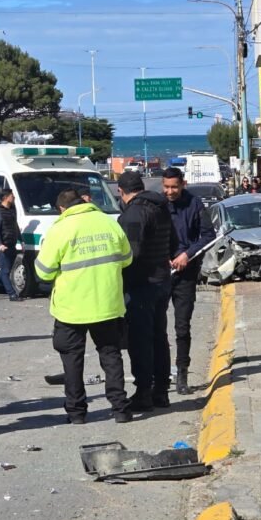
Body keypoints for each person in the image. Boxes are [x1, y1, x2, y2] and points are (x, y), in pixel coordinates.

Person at [35, 189, 133, 424]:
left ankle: (77, 412)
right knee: (111, 356)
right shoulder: (108, 223)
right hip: (107, 304)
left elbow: (43, 271)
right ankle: (120, 409)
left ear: (62, 209)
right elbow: (127, 258)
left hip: (72, 308)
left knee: (72, 360)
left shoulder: (60, 229)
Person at [116, 171, 174, 411]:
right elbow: (173, 242)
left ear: (121, 191)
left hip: (142, 284)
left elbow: (131, 254)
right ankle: (160, 391)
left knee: (140, 341)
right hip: (161, 280)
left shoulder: (133, 214)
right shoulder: (160, 208)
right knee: (159, 337)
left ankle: (144, 393)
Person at [162, 168, 216, 394]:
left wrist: (187, 255)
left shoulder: (195, 205)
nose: (170, 192)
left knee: (182, 326)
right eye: (166, 187)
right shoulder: (158, 204)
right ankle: (161, 373)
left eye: (174, 187)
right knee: (156, 326)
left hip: (186, 272)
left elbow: (208, 236)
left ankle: (182, 373)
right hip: (162, 273)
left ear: (183, 184)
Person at [0, 188, 23, 302]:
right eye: (12, 195)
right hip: (2, 246)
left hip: (11, 244)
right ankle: (12, 294)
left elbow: (15, 226)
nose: (14, 197)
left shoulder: (11, 210)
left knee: (5, 269)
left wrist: (21, 240)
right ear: (6, 197)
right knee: (5, 271)